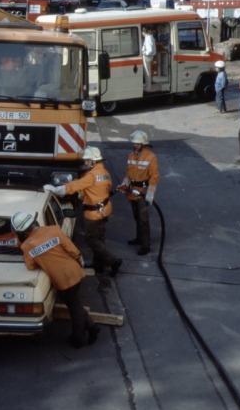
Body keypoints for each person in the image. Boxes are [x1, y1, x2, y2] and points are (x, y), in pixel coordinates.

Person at [12, 211, 99, 348]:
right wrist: (79, 259)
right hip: (73, 271)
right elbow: (71, 249)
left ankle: (78, 338)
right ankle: (92, 327)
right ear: (34, 221)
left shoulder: (27, 246)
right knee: (75, 304)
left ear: (23, 231)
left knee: (74, 308)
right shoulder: (53, 230)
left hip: (61, 280)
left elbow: (30, 266)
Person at [45, 146, 121, 277]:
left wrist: (54, 189)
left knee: (92, 240)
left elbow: (73, 186)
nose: (85, 162)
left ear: (94, 161)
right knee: (99, 239)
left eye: (87, 160)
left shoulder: (92, 175)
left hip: (94, 213)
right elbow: (100, 188)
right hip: (103, 210)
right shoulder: (104, 172)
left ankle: (113, 261)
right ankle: (99, 265)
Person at [120, 130, 159, 256]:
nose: (135, 145)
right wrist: (124, 184)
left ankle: (145, 245)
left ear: (143, 144)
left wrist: (150, 194)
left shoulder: (151, 158)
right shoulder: (131, 156)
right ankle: (139, 238)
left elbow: (154, 177)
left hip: (142, 192)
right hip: (132, 192)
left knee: (143, 219)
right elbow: (128, 174)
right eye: (134, 144)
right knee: (137, 217)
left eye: (137, 144)